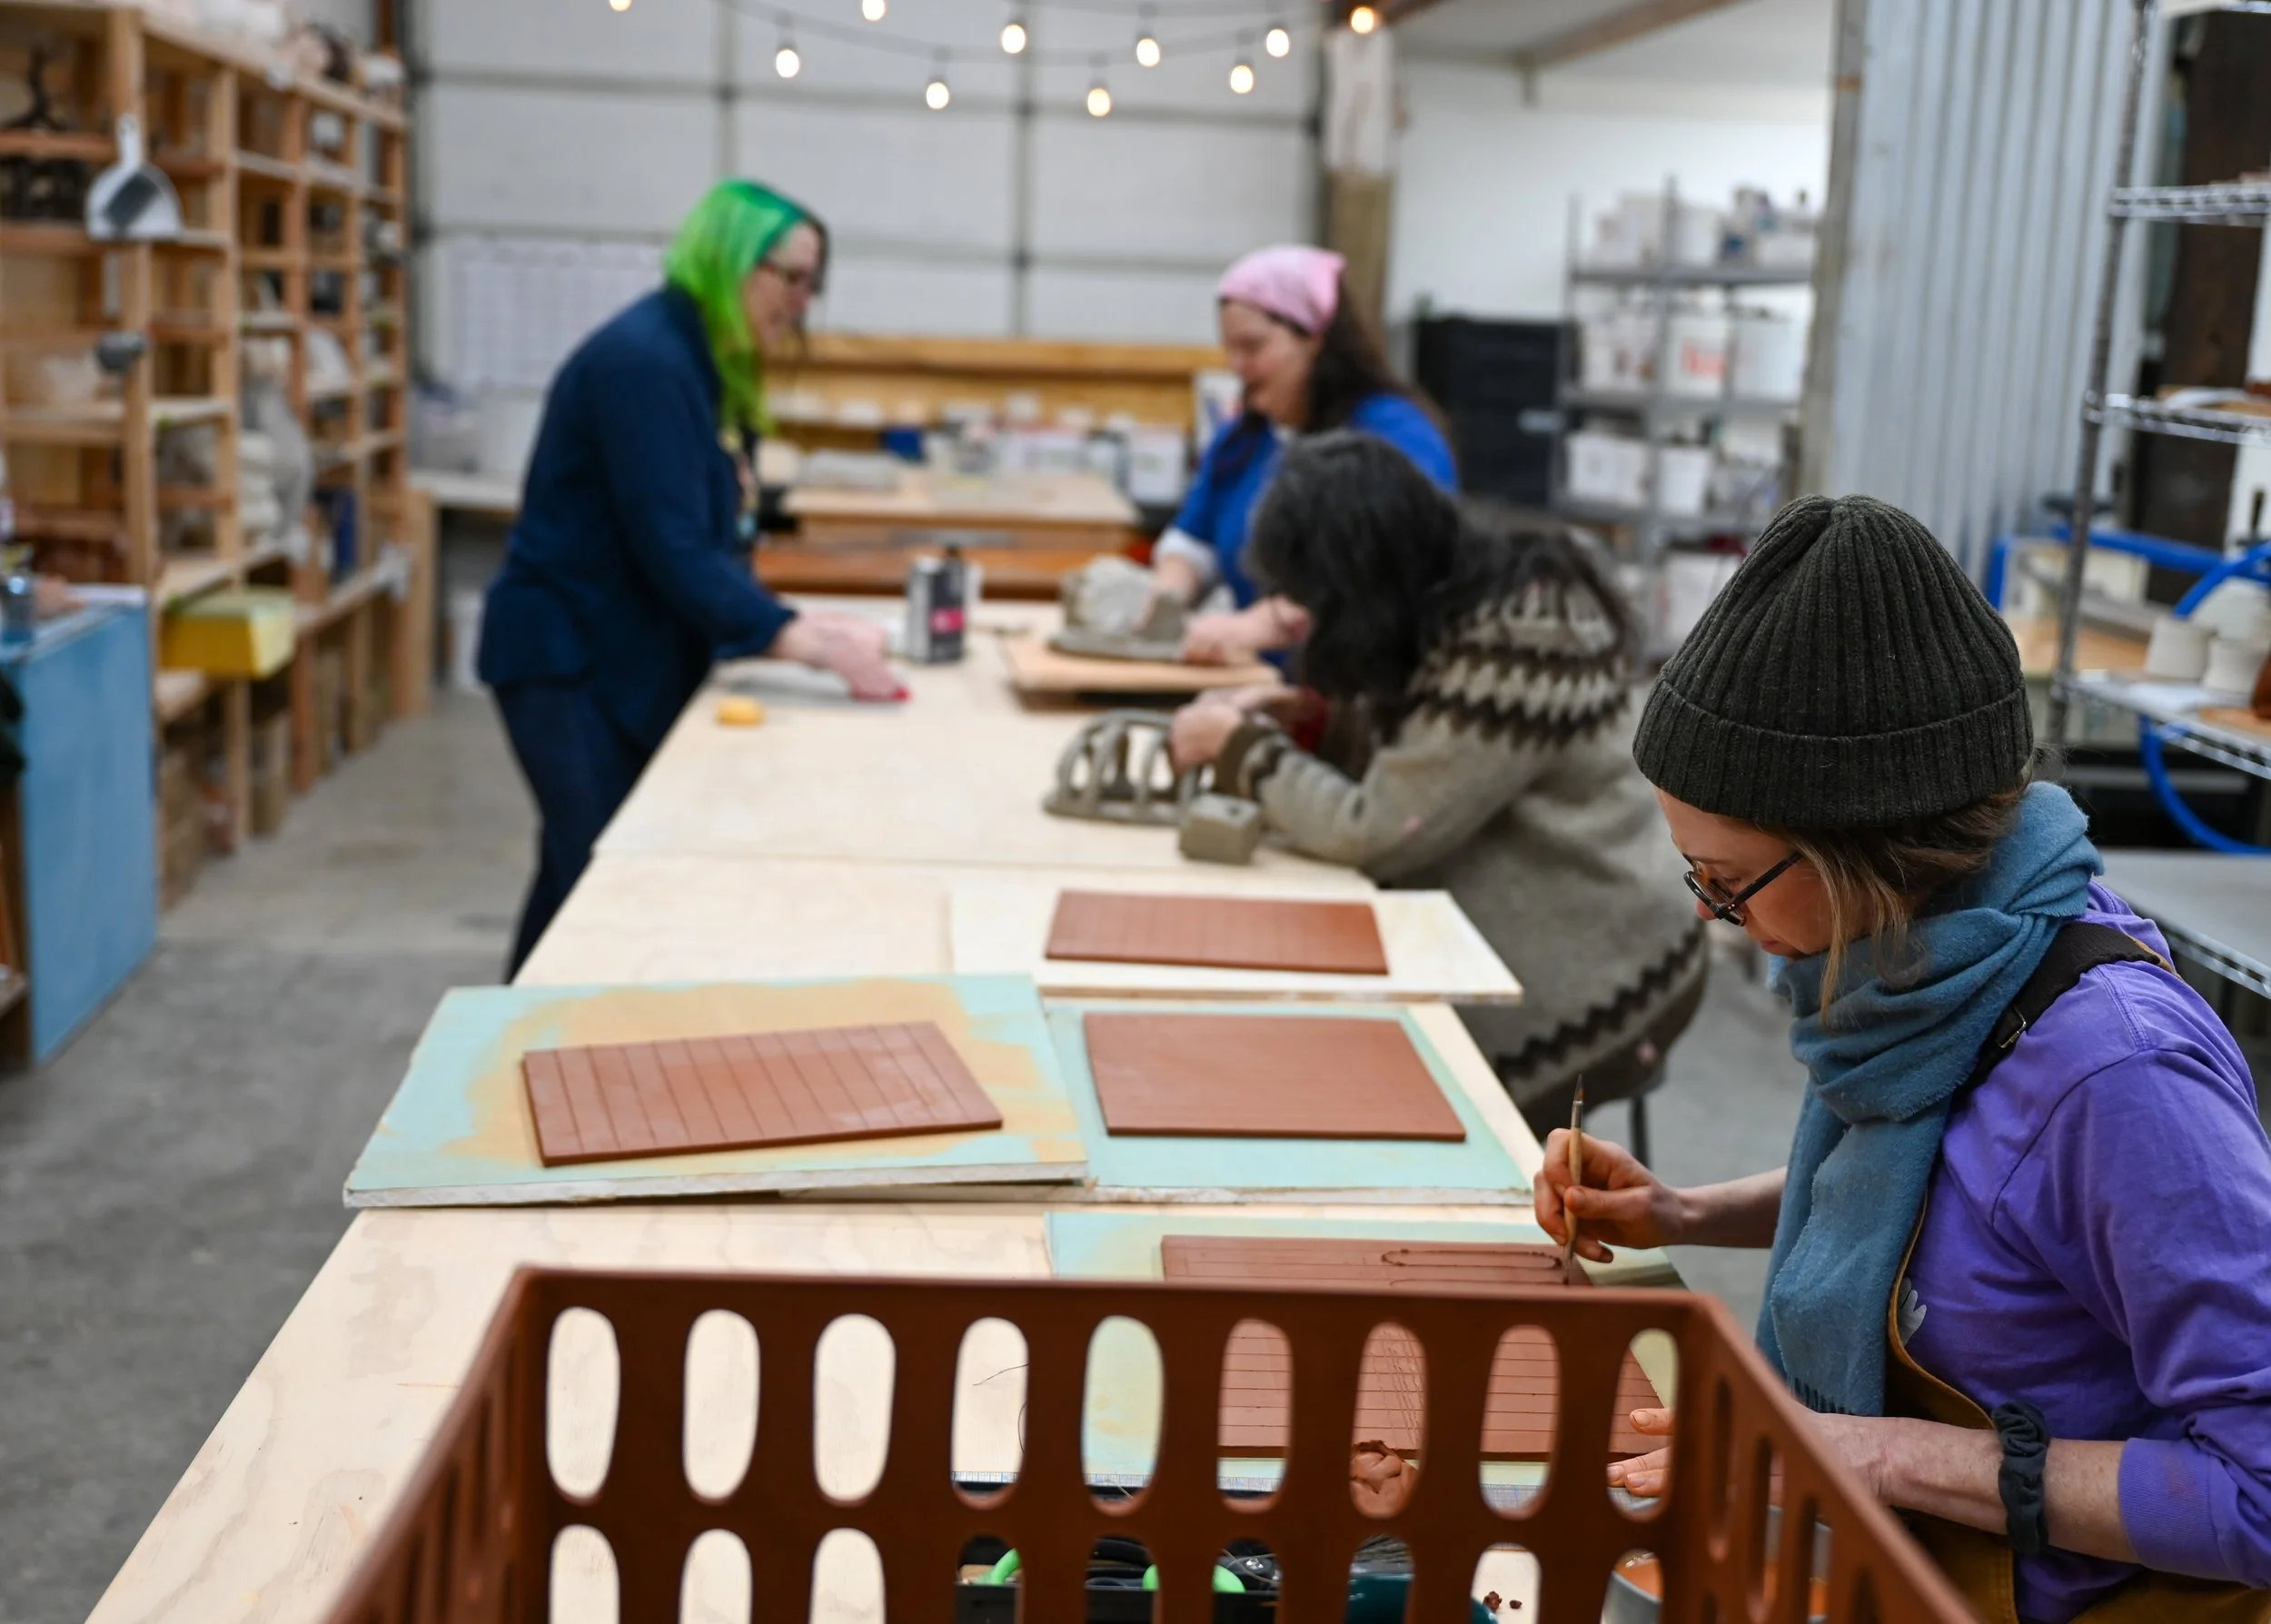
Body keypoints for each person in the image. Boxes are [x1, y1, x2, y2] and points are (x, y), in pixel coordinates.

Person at [1536, 495, 2271, 1622]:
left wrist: (1882, 1458)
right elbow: (1969, 1191)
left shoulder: (2119, 1079)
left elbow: (2261, 1491)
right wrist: (1683, 1215)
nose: (1708, 916)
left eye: (1726, 884)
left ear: (1862, 849)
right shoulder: (1940, 966)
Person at [1166, 432, 1707, 1136]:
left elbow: (1380, 830)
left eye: (1312, 604)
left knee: (1392, 1121)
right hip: (1532, 930)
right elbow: (1426, 750)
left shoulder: (1521, 638)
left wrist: (1243, 749)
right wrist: (1310, 719)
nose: (1298, 624)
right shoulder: (1455, 597)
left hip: (1605, 979)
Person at [479, 181, 901, 975]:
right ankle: (545, 1072)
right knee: (604, 888)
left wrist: (792, 622)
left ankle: (507, 1052)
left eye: (814, 283)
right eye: (792, 278)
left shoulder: (693, 360)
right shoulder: (648, 363)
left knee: (576, 876)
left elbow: (703, 536)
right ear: (734, 259)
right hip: (567, 661)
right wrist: (803, 640)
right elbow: (672, 548)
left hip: (606, 653)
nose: (802, 304)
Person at [1153, 244, 1455, 667]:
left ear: (1313, 338)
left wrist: (1264, 626)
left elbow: (1396, 571)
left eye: (1252, 346)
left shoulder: (1395, 437)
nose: (1235, 365)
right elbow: (1194, 538)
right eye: (1229, 348)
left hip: (1357, 700)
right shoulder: (1243, 441)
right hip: (1258, 688)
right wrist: (1165, 599)